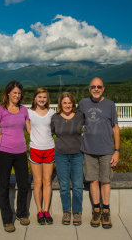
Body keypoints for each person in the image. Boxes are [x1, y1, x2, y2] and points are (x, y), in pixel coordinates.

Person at [0, 80, 30, 233]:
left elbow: (30, 130)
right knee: (4, 186)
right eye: (14, 93)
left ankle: (22, 213)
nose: (17, 95)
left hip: (21, 153)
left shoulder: (24, 110)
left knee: (24, 184)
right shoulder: (1, 109)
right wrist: (2, 143)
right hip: (4, 154)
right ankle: (7, 219)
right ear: (8, 94)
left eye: (19, 93)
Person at [77, 77, 120, 229]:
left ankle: (106, 210)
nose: (96, 89)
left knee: (105, 181)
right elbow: (76, 122)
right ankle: (96, 209)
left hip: (107, 150)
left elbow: (115, 128)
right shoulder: (82, 103)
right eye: (93, 87)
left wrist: (117, 151)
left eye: (99, 87)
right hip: (88, 150)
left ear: (103, 88)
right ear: (89, 88)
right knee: (92, 180)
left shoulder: (110, 104)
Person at [50, 92, 85, 226]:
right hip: (61, 155)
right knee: (64, 186)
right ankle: (66, 211)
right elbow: (51, 133)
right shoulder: (55, 118)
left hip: (77, 154)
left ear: (73, 104)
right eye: (64, 103)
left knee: (77, 185)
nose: (67, 105)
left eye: (69, 103)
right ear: (60, 104)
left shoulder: (80, 116)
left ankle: (77, 212)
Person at [27, 87, 55, 225]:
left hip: (49, 149)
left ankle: (46, 210)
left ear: (47, 99)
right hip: (35, 149)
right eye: (39, 97)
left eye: (44, 97)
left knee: (47, 181)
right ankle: (39, 211)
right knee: (37, 182)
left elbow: (54, 129)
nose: (42, 99)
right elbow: (27, 128)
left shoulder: (52, 112)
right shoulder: (29, 113)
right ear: (35, 98)